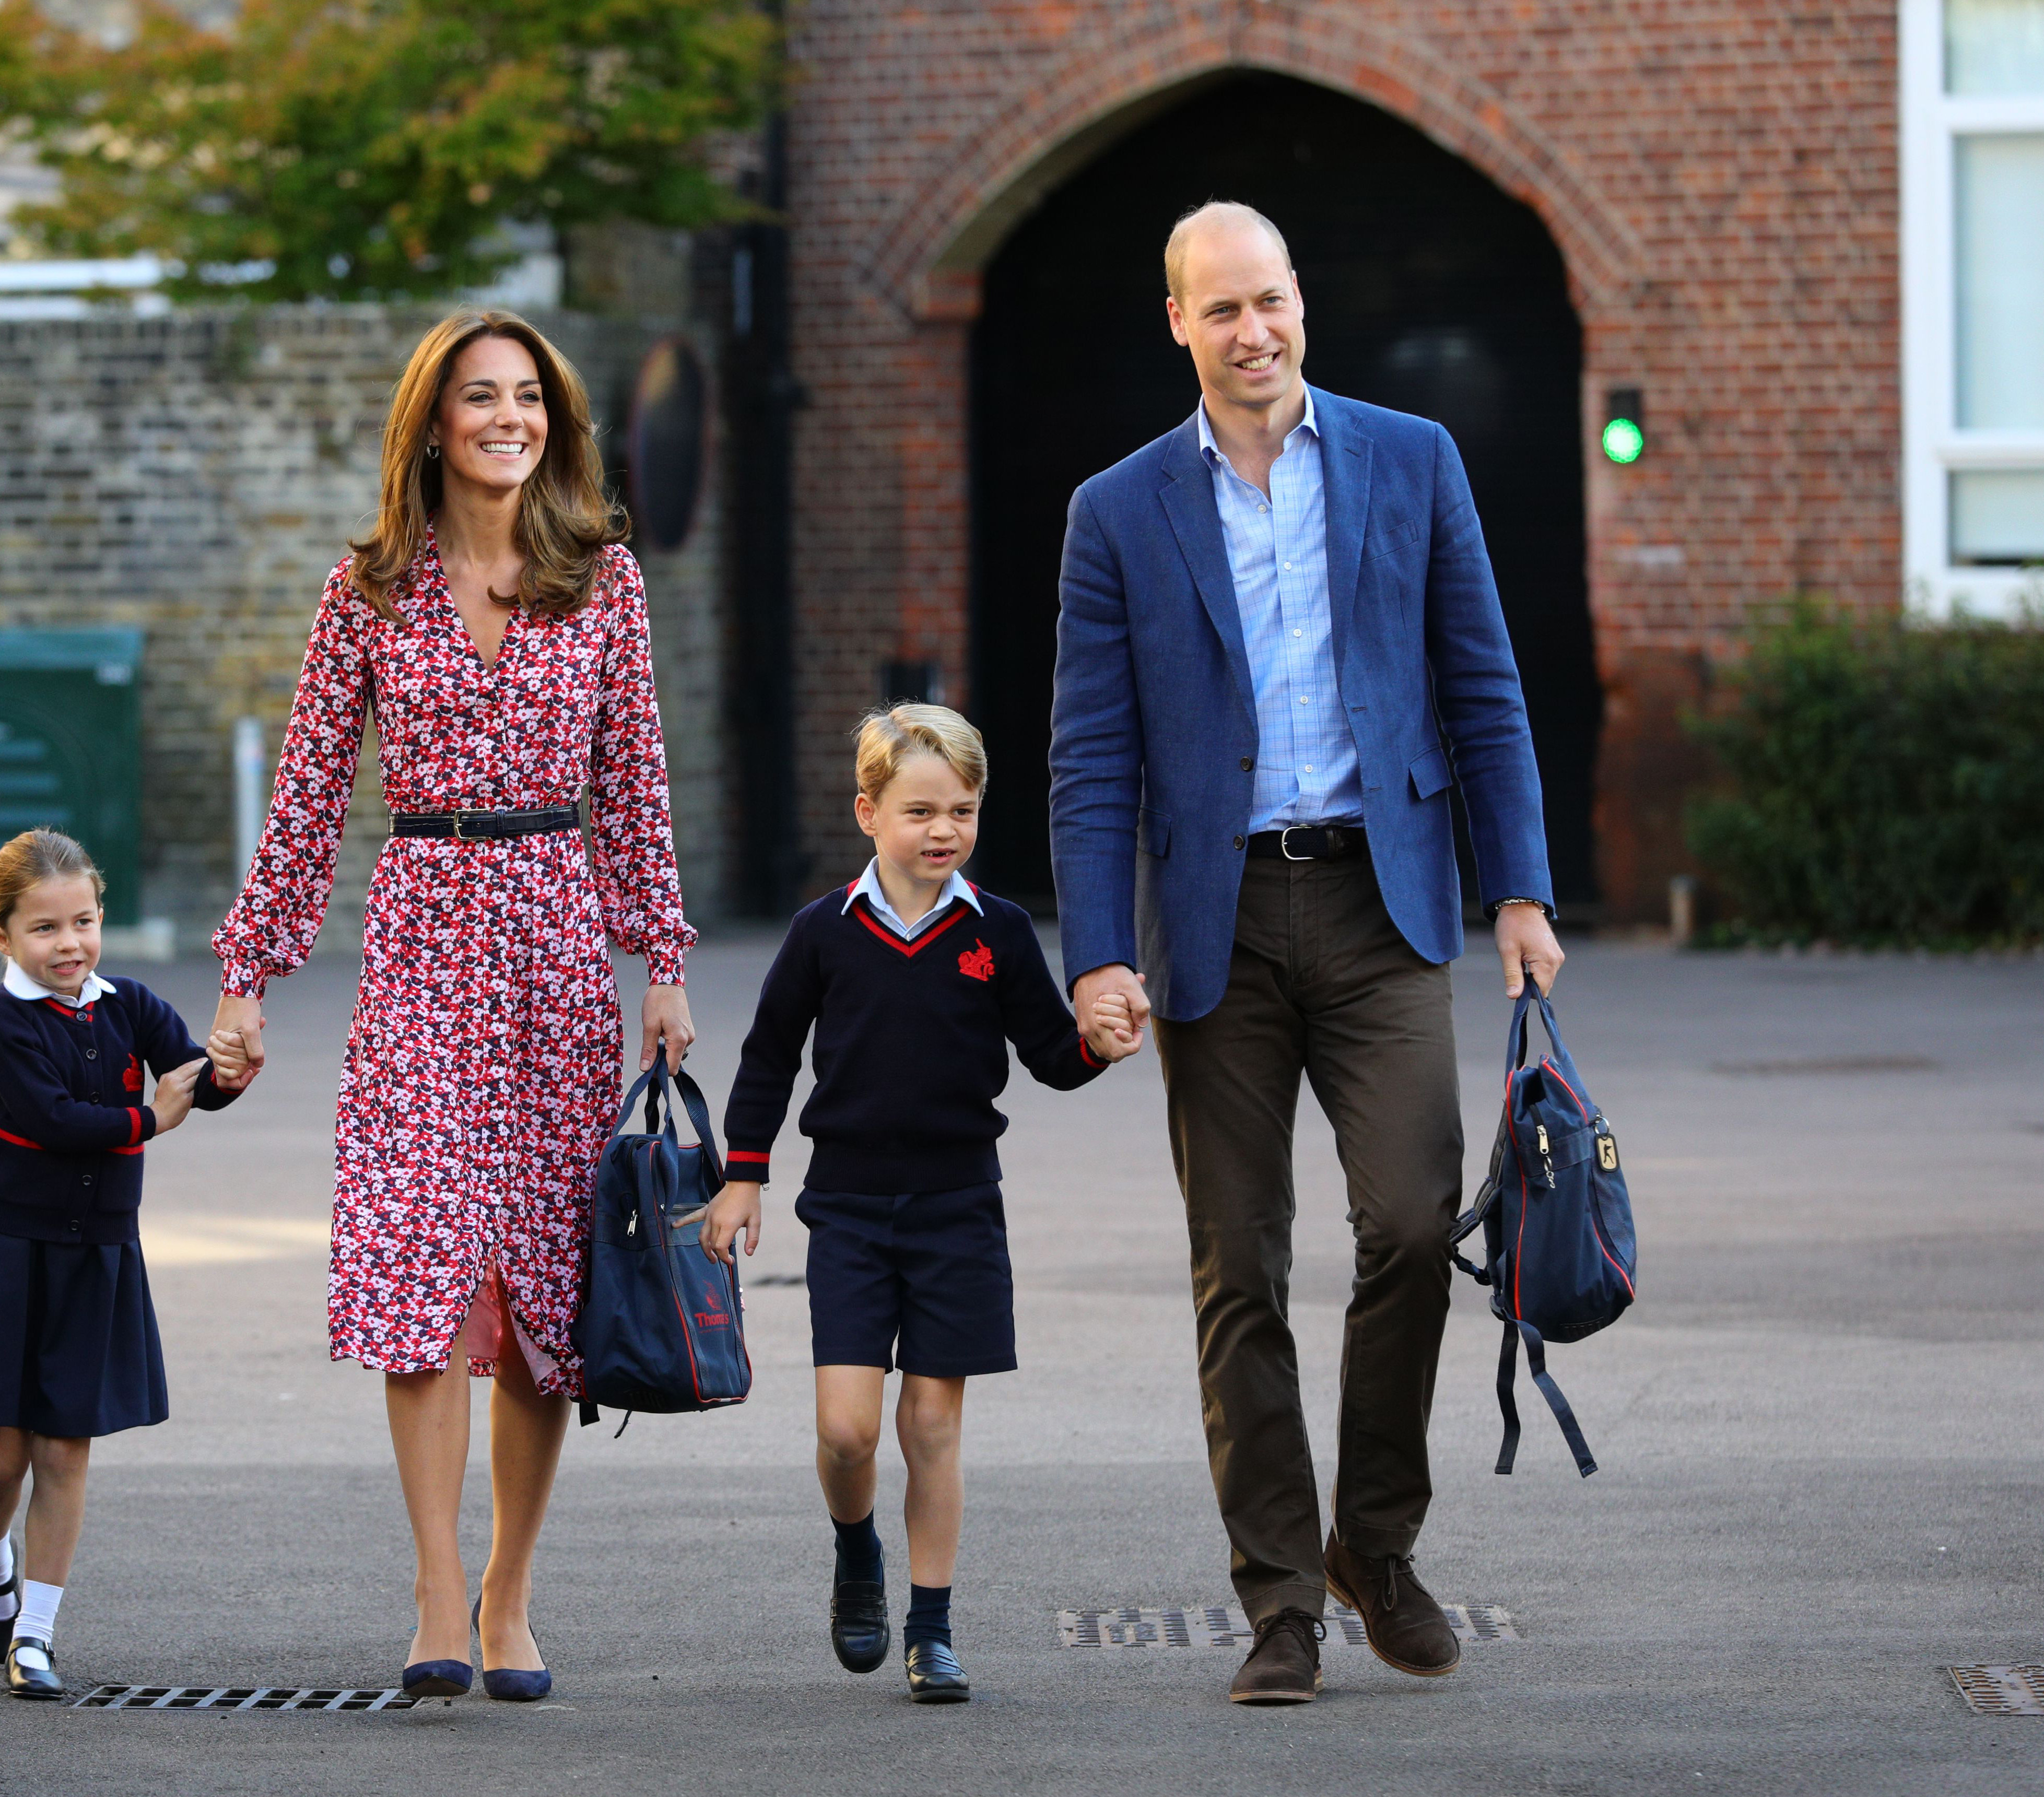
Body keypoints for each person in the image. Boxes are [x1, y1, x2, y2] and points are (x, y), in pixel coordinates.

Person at [1049, 202, 1567, 1706]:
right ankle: (1276, 1598)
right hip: (1209, 926)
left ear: (1300, 300)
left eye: (1267, 300)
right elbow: (1091, 760)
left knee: (1411, 1225)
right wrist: (1095, 956)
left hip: (1380, 904)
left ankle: (1376, 1546)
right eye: (1218, 311)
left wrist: (1517, 890)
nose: (1250, 332)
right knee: (1239, 1270)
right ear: (1177, 325)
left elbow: (1485, 688)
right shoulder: (1117, 509)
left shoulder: (1411, 460)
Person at [203, 309, 697, 1705]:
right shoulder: (362, 590)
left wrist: (659, 958)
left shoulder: (600, 581)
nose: (506, 418)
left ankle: (509, 1596)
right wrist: (248, 976)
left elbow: (637, 786)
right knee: (418, 1264)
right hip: (420, 939)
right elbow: (305, 800)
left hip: (552, 942)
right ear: (433, 420)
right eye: (479, 398)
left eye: (527, 399)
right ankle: (433, 1587)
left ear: (555, 419)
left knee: (545, 1282)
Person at [702, 703, 1140, 1705]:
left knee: (932, 1426)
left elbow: (1048, 1055)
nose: (943, 831)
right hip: (849, 1210)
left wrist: (1096, 1048)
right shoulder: (824, 932)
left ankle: (931, 1628)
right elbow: (770, 1056)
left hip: (957, 1211)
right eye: (920, 810)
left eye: (964, 811)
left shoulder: (999, 932)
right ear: (868, 812)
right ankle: (857, 1550)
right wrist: (743, 1175)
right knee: (849, 1430)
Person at [0, 828, 245, 1700]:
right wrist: (150, 1121)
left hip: (100, 1257)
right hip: (10, 1252)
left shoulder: (127, 1002)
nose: (70, 944)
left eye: (83, 922)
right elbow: (51, 1121)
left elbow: (190, 1073)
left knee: (66, 1451)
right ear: (3, 936)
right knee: (1, 1461)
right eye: (45, 929)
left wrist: (231, 1071)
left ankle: (36, 1638)